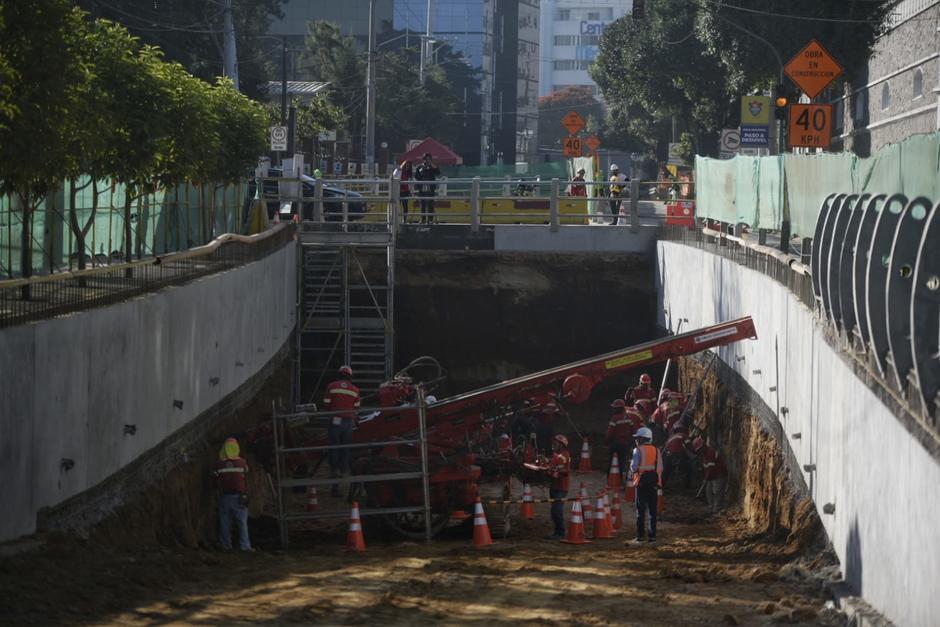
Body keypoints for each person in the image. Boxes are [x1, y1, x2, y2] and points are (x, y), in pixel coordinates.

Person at [324, 365, 361, 496]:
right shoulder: (355, 389)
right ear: (350, 376)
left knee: (334, 446)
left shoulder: (331, 386)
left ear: (339, 374)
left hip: (336, 420)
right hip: (348, 422)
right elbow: (356, 408)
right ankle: (343, 468)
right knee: (345, 447)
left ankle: (334, 470)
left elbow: (327, 403)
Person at [213, 437, 251, 551]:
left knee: (224, 522)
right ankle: (245, 546)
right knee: (242, 523)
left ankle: (225, 545)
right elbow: (246, 472)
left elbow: (214, 477)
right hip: (240, 497)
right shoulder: (242, 462)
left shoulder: (219, 464)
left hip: (225, 497)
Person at [630, 426, 662, 543]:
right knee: (652, 511)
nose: (636, 440)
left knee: (640, 510)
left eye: (638, 438)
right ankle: (652, 537)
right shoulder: (656, 451)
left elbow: (634, 467)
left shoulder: (637, 450)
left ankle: (640, 537)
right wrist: (658, 484)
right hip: (653, 483)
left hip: (641, 482)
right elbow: (659, 468)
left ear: (643, 439)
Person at [546, 434, 571, 539]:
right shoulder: (555, 455)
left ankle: (561, 533)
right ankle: (557, 532)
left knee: (557, 510)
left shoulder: (564, 455)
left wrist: (555, 471)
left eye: (555, 443)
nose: (553, 445)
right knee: (554, 510)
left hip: (561, 487)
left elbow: (565, 471)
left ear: (561, 445)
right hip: (554, 486)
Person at [693, 437, 728, 514]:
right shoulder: (704, 455)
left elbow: (711, 469)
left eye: (699, 449)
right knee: (708, 490)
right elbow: (707, 468)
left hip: (719, 474)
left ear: (703, 446)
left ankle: (717, 507)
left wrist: (706, 479)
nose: (699, 451)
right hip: (712, 475)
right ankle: (711, 506)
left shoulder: (710, 453)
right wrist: (706, 478)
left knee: (717, 491)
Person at [606, 399, 633, 483]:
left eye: (615, 408)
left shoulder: (615, 418)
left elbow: (610, 432)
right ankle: (620, 479)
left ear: (619, 408)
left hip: (615, 443)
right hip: (625, 444)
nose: (614, 409)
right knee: (622, 462)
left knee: (611, 461)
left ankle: (610, 478)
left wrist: (607, 441)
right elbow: (633, 430)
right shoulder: (629, 417)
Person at [414, 152, 440, 224]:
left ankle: (430, 219)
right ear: (423, 159)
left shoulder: (433, 166)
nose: (427, 160)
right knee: (422, 203)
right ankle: (423, 219)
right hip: (422, 187)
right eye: (426, 159)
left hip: (430, 187)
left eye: (429, 159)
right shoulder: (419, 167)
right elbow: (416, 176)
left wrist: (434, 167)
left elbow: (438, 173)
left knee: (430, 203)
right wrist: (422, 170)